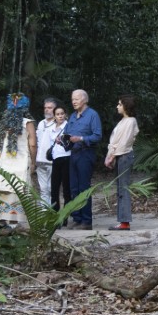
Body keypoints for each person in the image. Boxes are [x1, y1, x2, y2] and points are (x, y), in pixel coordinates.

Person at [0, 93, 36, 228]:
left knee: (3, 190)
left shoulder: (0, 124)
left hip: (3, 163)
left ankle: (1, 220)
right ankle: (13, 222)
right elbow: (32, 144)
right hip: (20, 162)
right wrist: (33, 162)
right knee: (17, 191)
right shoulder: (28, 123)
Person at [65, 88, 102, 231]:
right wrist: (61, 139)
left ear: (85, 100)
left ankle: (86, 221)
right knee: (73, 187)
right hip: (73, 154)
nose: (73, 101)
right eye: (72, 99)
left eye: (77, 99)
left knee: (84, 188)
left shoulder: (92, 115)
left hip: (86, 154)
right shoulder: (73, 116)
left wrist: (81, 138)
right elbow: (67, 133)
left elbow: (97, 136)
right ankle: (77, 218)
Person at [104, 95, 140, 231]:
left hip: (124, 155)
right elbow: (115, 141)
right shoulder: (123, 121)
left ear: (126, 106)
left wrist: (112, 156)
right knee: (120, 187)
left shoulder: (131, 121)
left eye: (119, 104)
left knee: (123, 187)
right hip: (119, 155)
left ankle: (125, 222)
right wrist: (110, 155)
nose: (117, 106)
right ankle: (122, 220)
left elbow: (124, 142)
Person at [34, 97, 60, 203]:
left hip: (52, 161)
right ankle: (44, 214)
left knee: (51, 188)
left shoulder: (59, 124)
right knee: (43, 189)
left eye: (50, 108)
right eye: (45, 108)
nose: (47, 110)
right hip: (40, 161)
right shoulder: (41, 123)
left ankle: (53, 213)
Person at [50, 105, 73, 219]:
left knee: (66, 188)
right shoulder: (52, 128)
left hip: (66, 158)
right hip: (56, 159)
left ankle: (65, 216)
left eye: (62, 113)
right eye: (58, 114)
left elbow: (71, 143)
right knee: (54, 188)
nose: (60, 116)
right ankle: (54, 215)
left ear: (65, 114)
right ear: (54, 116)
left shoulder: (68, 126)